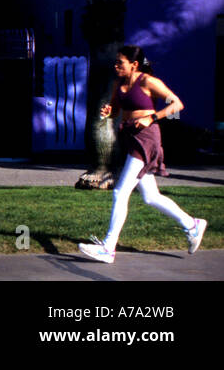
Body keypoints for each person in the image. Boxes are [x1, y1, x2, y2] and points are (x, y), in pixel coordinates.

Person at [78, 45, 207, 263]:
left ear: (134, 64)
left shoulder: (147, 82)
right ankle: (192, 224)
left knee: (120, 192)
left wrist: (152, 118)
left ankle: (108, 248)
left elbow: (177, 104)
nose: (116, 65)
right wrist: (109, 112)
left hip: (147, 138)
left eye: (121, 62)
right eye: (116, 62)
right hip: (129, 138)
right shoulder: (118, 84)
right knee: (150, 196)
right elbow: (117, 110)